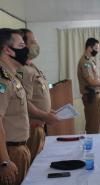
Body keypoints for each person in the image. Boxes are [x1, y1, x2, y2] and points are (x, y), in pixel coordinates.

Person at [17, 28, 60, 162]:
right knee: (32, 168)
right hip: (31, 128)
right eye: (33, 41)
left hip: (39, 125)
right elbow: (24, 102)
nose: (36, 44)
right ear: (22, 45)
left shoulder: (32, 66)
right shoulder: (22, 69)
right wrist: (45, 115)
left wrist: (48, 111)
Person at [0, 28, 30, 185]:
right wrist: (4, 161)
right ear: (7, 50)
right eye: (21, 45)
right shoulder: (2, 79)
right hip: (9, 152)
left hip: (18, 149)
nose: (26, 50)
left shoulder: (12, 76)